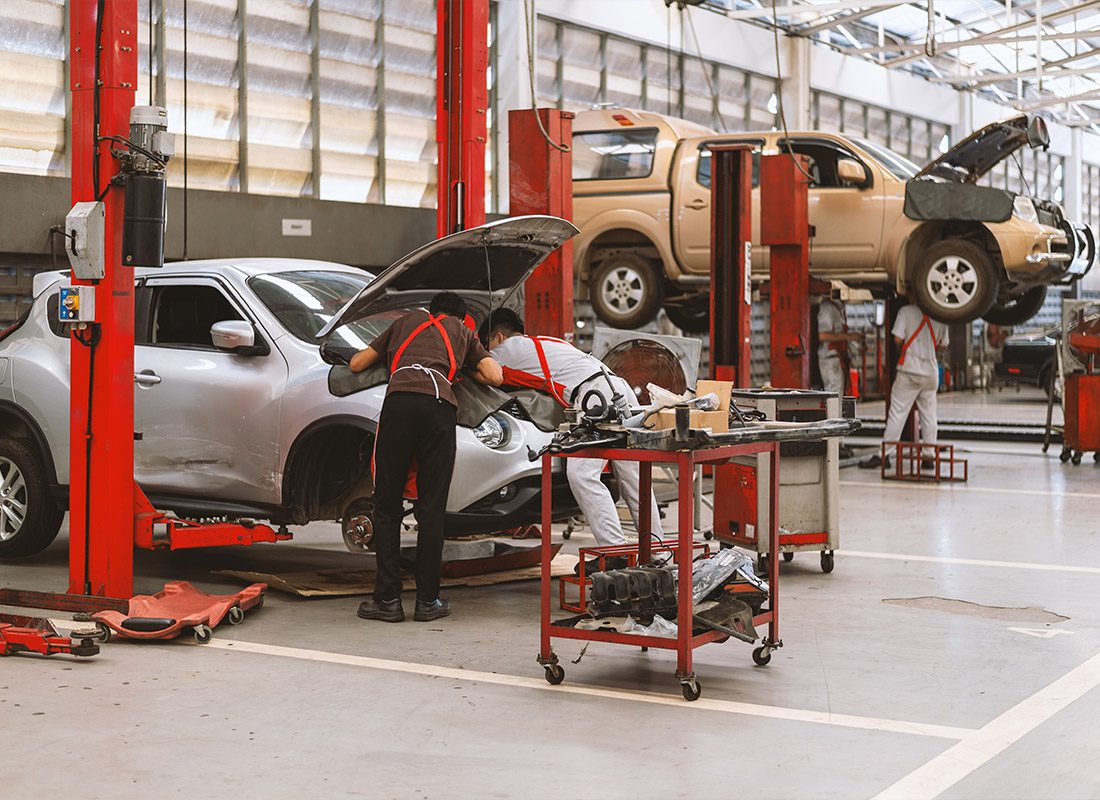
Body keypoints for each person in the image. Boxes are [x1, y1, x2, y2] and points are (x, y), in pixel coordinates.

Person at [349, 292, 503, 623]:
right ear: (460, 318)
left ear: (430, 311)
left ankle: (388, 601)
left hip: (399, 403)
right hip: (438, 407)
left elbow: (357, 363)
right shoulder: (462, 332)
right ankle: (427, 602)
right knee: (431, 509)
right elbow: (495, 376)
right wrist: (462, 367)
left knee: (387, 506)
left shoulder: (404, 323)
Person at [483, 309, 663, 573]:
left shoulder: (507, 348)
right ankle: (657, 554)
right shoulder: (548, 342)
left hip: (594, 397)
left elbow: (484, 371)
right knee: (634, 477)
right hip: (619, 389)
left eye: (488, 344)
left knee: (581, 474)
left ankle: (613, 551)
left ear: (497, 337)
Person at [862, 302, 949, 470]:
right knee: (929, 415)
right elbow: (943, 345)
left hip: (909, 370)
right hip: (930, 372)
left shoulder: (906, 311)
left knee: (898, 413)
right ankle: (928, 457)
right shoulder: (940, 314)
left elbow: (897, 339)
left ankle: (885, 455)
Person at [817, 293, 860, 396]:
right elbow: (823, 336)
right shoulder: (827, 308)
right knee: (834, 395)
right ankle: (833, 412)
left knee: (838, 395)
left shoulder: (837, 308)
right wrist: (849, 336)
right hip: (830, 359)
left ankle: (836, 412)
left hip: (836, 358)